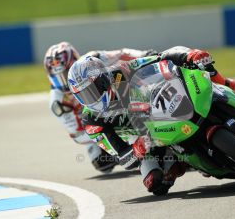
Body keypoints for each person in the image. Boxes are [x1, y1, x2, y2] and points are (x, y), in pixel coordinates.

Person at [67, 46, 235, 195]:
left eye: (93, 90)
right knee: (155, 184)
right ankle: (179, 167)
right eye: (84, 95)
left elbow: (160, 58)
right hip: (143, 141)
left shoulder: (119, 74)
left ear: (104, 79)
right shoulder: (91, 121)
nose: (91, 98)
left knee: (200, 65)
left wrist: (188, 57)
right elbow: (122, 157)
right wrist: (137, 150)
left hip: (160, 109)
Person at [44, 41, 156, 173]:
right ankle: (136, 152)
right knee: (102, 162)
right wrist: (103, 129)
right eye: (58, 78)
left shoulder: (91, 61)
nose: (64, 82)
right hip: (98, 123)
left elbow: (121, 53)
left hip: (120, 97)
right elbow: (77, 134)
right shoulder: (57, 102)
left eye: (65, 73)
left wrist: (143, 55)